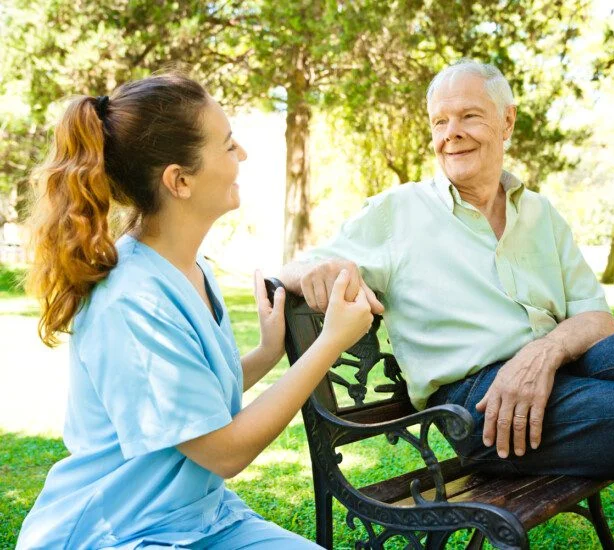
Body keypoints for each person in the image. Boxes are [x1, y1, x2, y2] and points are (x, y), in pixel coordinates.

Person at [18, 73, 373, 549]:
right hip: (121, 533)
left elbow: (189, 404)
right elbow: (224, 451)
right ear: (179, 180)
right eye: (228, 146)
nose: (242, 155)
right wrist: (330, 343)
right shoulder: (131, 301)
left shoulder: (189, 269)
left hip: (201, 520)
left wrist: (267, 352)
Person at [280, 60, 614, 481]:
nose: (451, 133)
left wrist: (544, 352)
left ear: (507, 122)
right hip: (484, 405)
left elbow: (596, 318)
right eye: (440, 122)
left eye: (469, 116)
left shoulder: (542, 213)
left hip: (564, 363)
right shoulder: (397, 212)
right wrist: (325, 267)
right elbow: (294, 269)